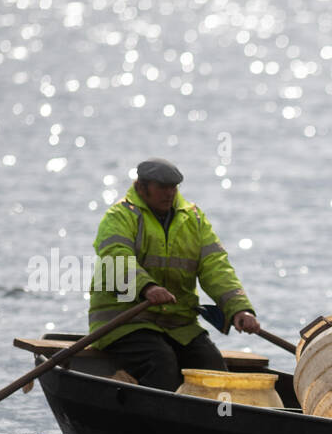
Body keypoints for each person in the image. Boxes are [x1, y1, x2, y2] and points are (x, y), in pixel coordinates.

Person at [88, 157, 262, 390]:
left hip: (178, 326)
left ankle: (209, 422)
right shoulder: (120, 216)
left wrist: (239, 308)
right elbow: (116, 259)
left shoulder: (194, 219)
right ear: (141, 187)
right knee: (160, 361)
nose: (169, 193)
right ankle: (158, 418)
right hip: (126, 323)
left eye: (173, 187)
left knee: (212, 369)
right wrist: (147, 288)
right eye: (161, 187)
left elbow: (216, 267)